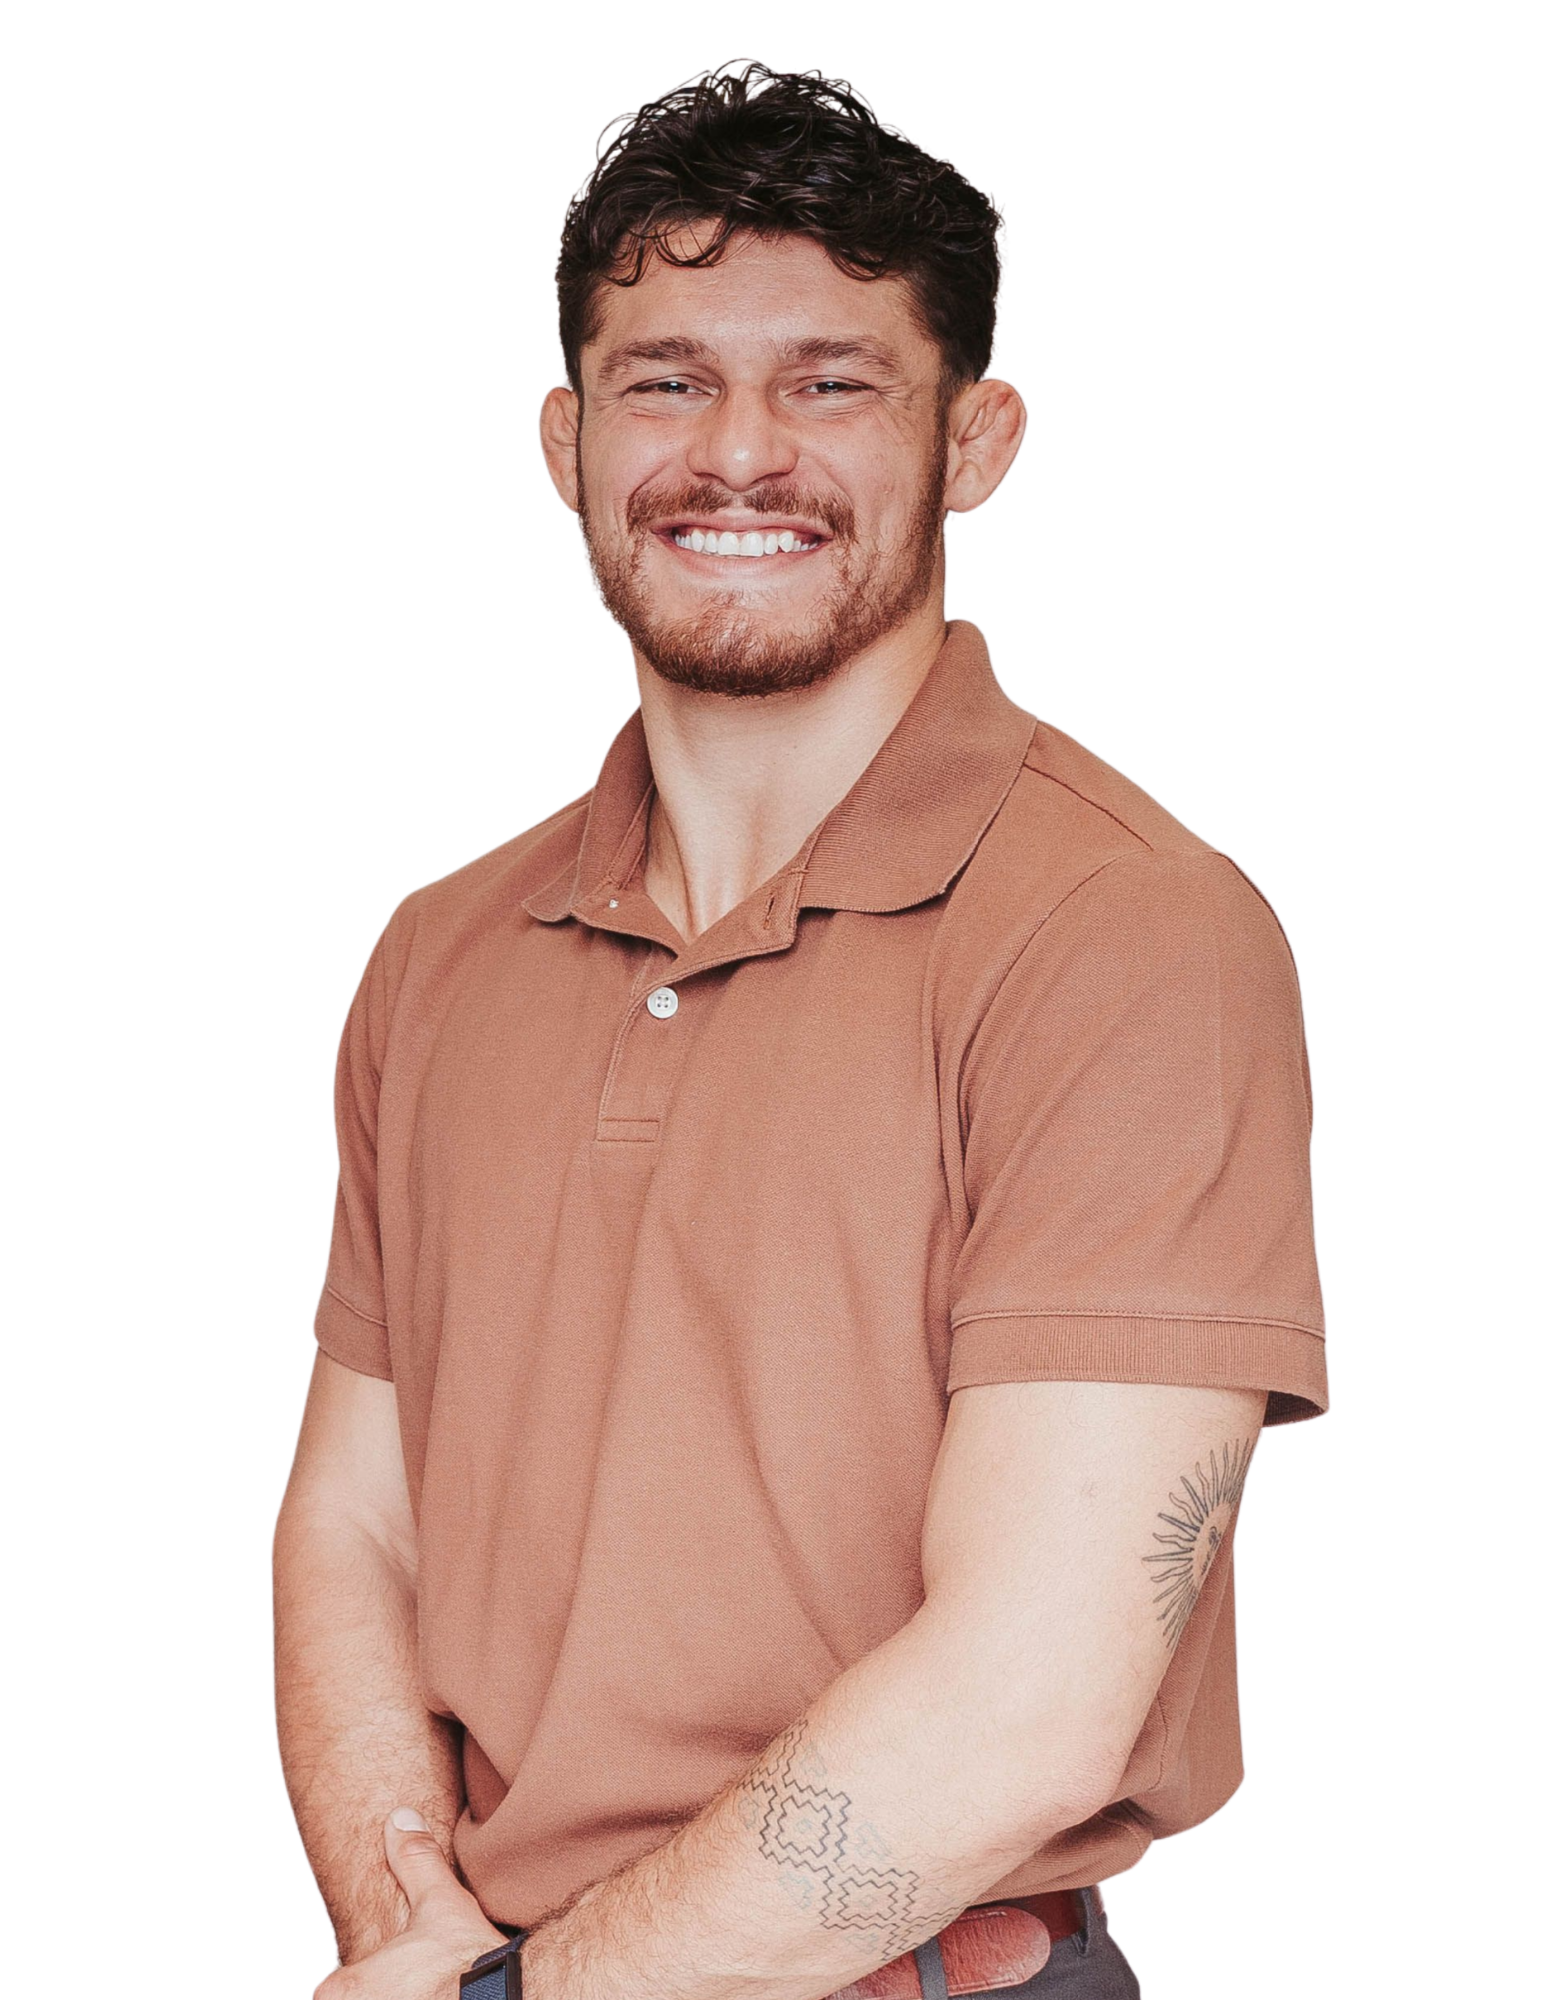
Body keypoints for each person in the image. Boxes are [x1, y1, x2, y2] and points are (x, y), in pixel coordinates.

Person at [273, 59, 1331, 2000]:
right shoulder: (440, 950)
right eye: (666, 380)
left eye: (831, 383)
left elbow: (1029, 1683)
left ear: (976, 442)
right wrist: (407, 1930)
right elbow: (356, 1515)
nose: (737, 454)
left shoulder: (1123, 933)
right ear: (562, 443)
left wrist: (539, 1994)